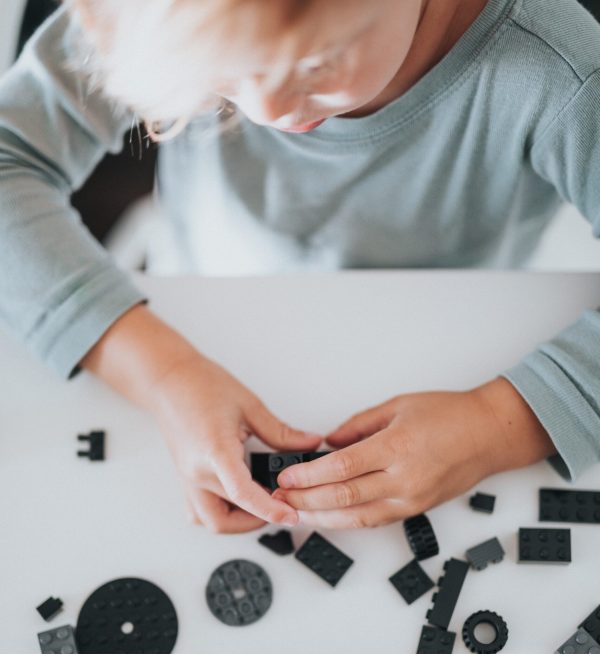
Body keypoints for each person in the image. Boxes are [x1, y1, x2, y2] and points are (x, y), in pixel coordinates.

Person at [0, 0, 599, 534]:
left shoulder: (560, 73)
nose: (268, 110)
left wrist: (498, 425)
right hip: (203, 310)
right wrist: (161, 373)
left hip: (454, 343)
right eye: (221, 76)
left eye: (318, 63)